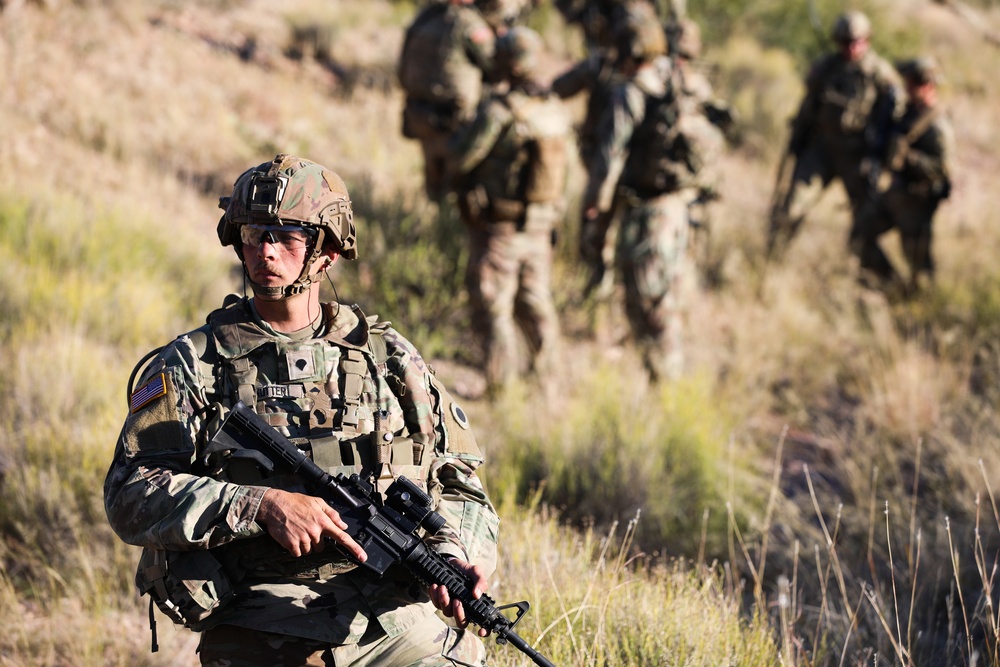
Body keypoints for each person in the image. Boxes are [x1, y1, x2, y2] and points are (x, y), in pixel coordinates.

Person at [104, 154, 500, 667]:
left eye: (286, 235)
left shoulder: (390, 358)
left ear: (326, 252)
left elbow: (460, 483)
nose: (265, 251)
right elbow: (130, 491)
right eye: (253, 234)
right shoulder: (194, 363)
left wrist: (453, 551)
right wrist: (258, 505)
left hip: (394, 620)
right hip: (263, 615)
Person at [581, 17, 724, 381]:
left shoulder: (633, 91)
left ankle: (663, 376)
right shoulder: (692, 84)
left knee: (644, 297)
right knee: (668, 293)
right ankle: (665, 370)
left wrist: (595, 204)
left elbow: (609, 157)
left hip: (648, 211)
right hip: (681, 206)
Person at [448, 27, 571, 394]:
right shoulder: (554, 109)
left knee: (493, 306)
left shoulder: (500, 110)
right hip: (542, 225)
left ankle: (502, 388)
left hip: (500, 228)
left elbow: (462, 157)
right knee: (536, 302)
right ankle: (549, 382)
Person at [767, 10, 904, 261]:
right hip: (822, 150)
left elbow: (895, 120)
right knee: (791, 208)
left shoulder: (880, 74)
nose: (850, 47)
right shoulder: (826, 68)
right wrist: (798, 139)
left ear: (867, 40)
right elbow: (808, 107)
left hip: (859, 156)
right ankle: (769, 264)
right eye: (844, 41)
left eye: (856, 41)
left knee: (866, 223)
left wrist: (883, 159)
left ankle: (878, 281)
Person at [849, 56, 954, 294]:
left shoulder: (938, 126)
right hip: (894, 195)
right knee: (860, 236)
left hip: (916, 203)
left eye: (916, 82)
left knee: (920, 270)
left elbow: (943, 170)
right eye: (909, 82)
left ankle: (921, 313)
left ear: (930, 85)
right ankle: (894, 289)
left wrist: (911, 158)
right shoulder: (904, 113)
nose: (910, 87)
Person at [398, 0, 498, 201]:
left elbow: (401, 68)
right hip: (454, 120)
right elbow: (493, 65)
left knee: (434, 178)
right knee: (458, 185)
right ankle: (445, 225)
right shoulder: (470, 24)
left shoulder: (425, 17)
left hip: (420, 115)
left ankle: (432, 218)